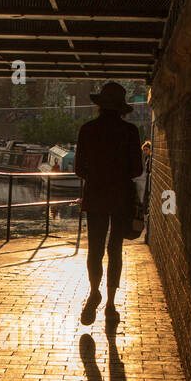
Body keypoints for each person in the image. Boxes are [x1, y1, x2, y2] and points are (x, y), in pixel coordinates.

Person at [74, 81, 143, 326]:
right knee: (115, 250)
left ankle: (94, 292)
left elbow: (78, 169)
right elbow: (137, 170)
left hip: (95, 197)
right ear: (122, 108)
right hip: (121, 198)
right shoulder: (130, 132)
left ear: (100, 106)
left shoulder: (87, 129)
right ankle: (111, 305)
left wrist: (96, 173)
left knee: (95, 248)